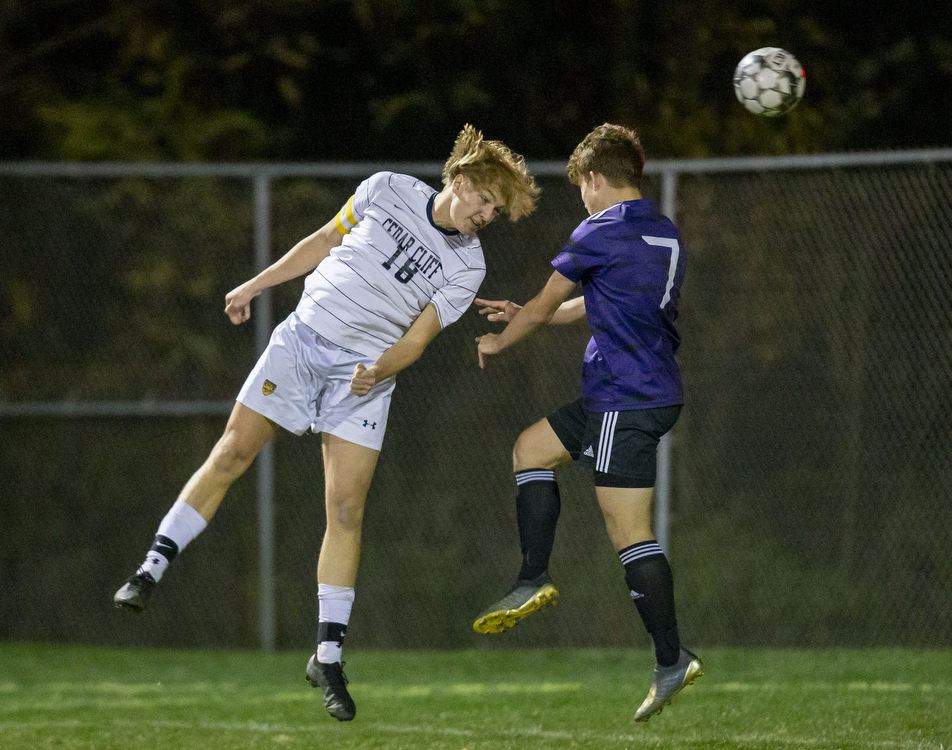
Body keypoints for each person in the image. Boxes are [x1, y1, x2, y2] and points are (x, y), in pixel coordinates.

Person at [113, 124, 539, 722]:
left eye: (496, 210)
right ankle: (150, 571)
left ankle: (328, 656)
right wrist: (256, 285)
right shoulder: (386, 188)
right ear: (460, 182)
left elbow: (417, 340)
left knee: (345, 509)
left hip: (367, 375)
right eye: (485, 201)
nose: (487, 215)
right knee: (232, 452)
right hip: (304, 342)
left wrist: (377, 370)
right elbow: (323, 241)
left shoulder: (467, 265)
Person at [471, 123, 701, 722]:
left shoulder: (600, 230)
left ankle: (671, 659)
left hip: (624, 399)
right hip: (633, 393)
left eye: (583, 188)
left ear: (596, 180)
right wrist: (529, 315)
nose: (584, 198)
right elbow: (590, 304)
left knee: (630, 534)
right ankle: (533, 577)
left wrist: (501, 339)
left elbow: (552, 300)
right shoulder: (662, 232)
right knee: (530, 450)